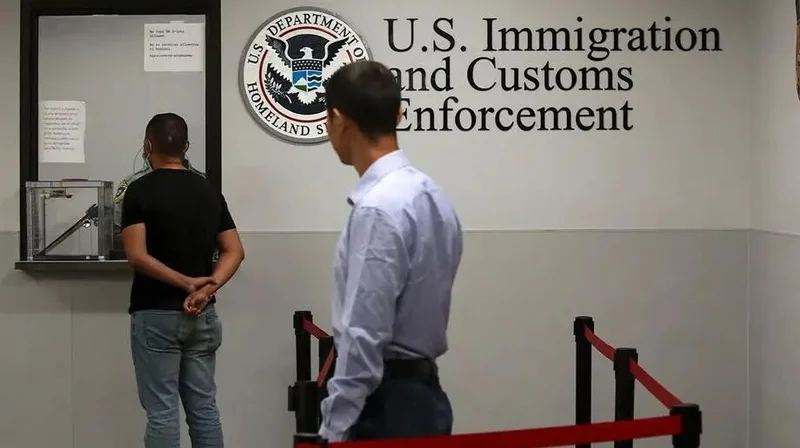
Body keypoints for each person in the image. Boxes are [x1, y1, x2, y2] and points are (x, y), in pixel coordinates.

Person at [319, 60, 463, 442]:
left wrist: (333, 429)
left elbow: (364, 335)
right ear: (397, 115)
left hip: (384, 407)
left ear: (338, 120)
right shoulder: (433, 195)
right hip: (425, 396)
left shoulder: (377, 208)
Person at [120, 112, 245, 448]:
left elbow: (136, 255)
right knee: (204, 409)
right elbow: (234, 251)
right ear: (186, 147)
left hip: (155, 314)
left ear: (148, 145)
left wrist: (185, 283)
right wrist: (207, 287)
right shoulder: (208, 191)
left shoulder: (139, 191)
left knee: (162, 412)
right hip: (203, 316)